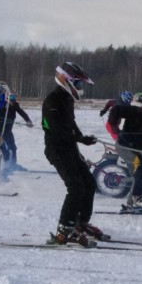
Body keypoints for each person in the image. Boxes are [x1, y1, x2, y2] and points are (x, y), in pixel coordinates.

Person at [42, 62, 102, 246]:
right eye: (79, 84)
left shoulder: (67, 99)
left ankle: (80, 224)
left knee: (89, 184)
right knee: (76, 187)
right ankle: (64, 230)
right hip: (57, 150)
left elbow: (71, 124)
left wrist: (82, 138)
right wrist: (76, 138)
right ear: (66, 81)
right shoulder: (53, 100)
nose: (81, 88)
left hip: (70, 148)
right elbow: (54, 129)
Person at [0, 89, 34, 172]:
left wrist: (28, 120)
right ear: (7, 97)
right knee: (7, 148)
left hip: (8, 130)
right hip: (1, 130)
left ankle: (12, 165)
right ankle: (4, 166)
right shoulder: (2, 104)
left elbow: (21, 112)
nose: (13, 98)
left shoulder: (14, 105)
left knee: (12, 148)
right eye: (11, 97)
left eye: (14, 96)